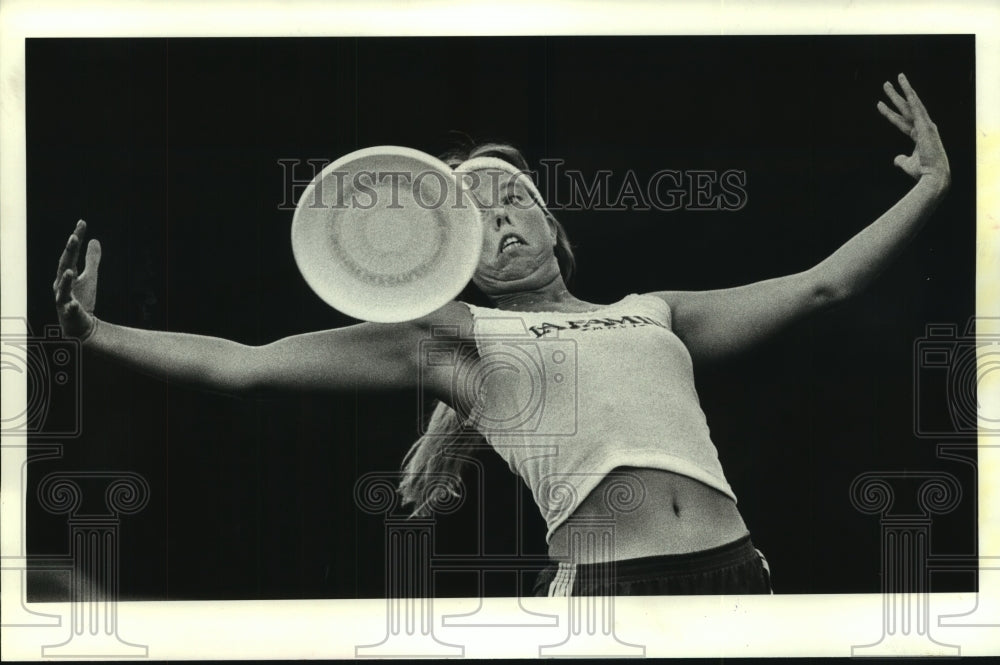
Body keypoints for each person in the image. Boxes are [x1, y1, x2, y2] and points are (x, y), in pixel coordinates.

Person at [53, 74, 950, 596]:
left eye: (514, 197)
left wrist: (930, 187)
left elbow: (822, 284)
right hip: (607, 596)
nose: (503, 215)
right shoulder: (455, 345)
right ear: (457, 264)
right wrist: (98, 332)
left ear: (555, 227)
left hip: (738, 570)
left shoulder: (656, 308)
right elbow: (247, 366)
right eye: (475, 216)